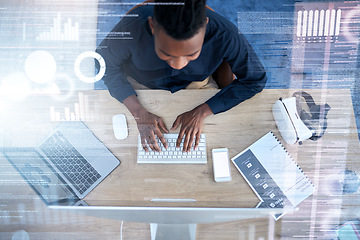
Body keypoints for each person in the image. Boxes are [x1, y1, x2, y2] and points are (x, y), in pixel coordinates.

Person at [96, 0, 267, 153]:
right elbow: (102, 65)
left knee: (217, 142)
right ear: (152, 26)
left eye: (191, 54)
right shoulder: (133, 26)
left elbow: (254, 80)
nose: (177, 65)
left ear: (205, 26)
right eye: (165, 53)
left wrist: (203, 111)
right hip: (140, 85)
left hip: (196, 83)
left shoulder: (226, 34)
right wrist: (138, 111)